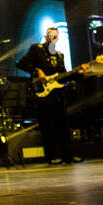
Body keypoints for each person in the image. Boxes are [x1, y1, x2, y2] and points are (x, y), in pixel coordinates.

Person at [16, 26, 83, 164]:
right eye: (50, 35)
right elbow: (21, 64)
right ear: (46, 37)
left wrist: (77, 74)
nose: (52, 38)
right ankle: (52, 156)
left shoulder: (59, 55)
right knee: (48, 126)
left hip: (58, 93)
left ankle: (68, 156)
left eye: (55, 36)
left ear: (57, 38)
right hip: (43, 93)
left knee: (64, 125)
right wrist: (36, 71)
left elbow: (63, 75)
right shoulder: (36, 49)